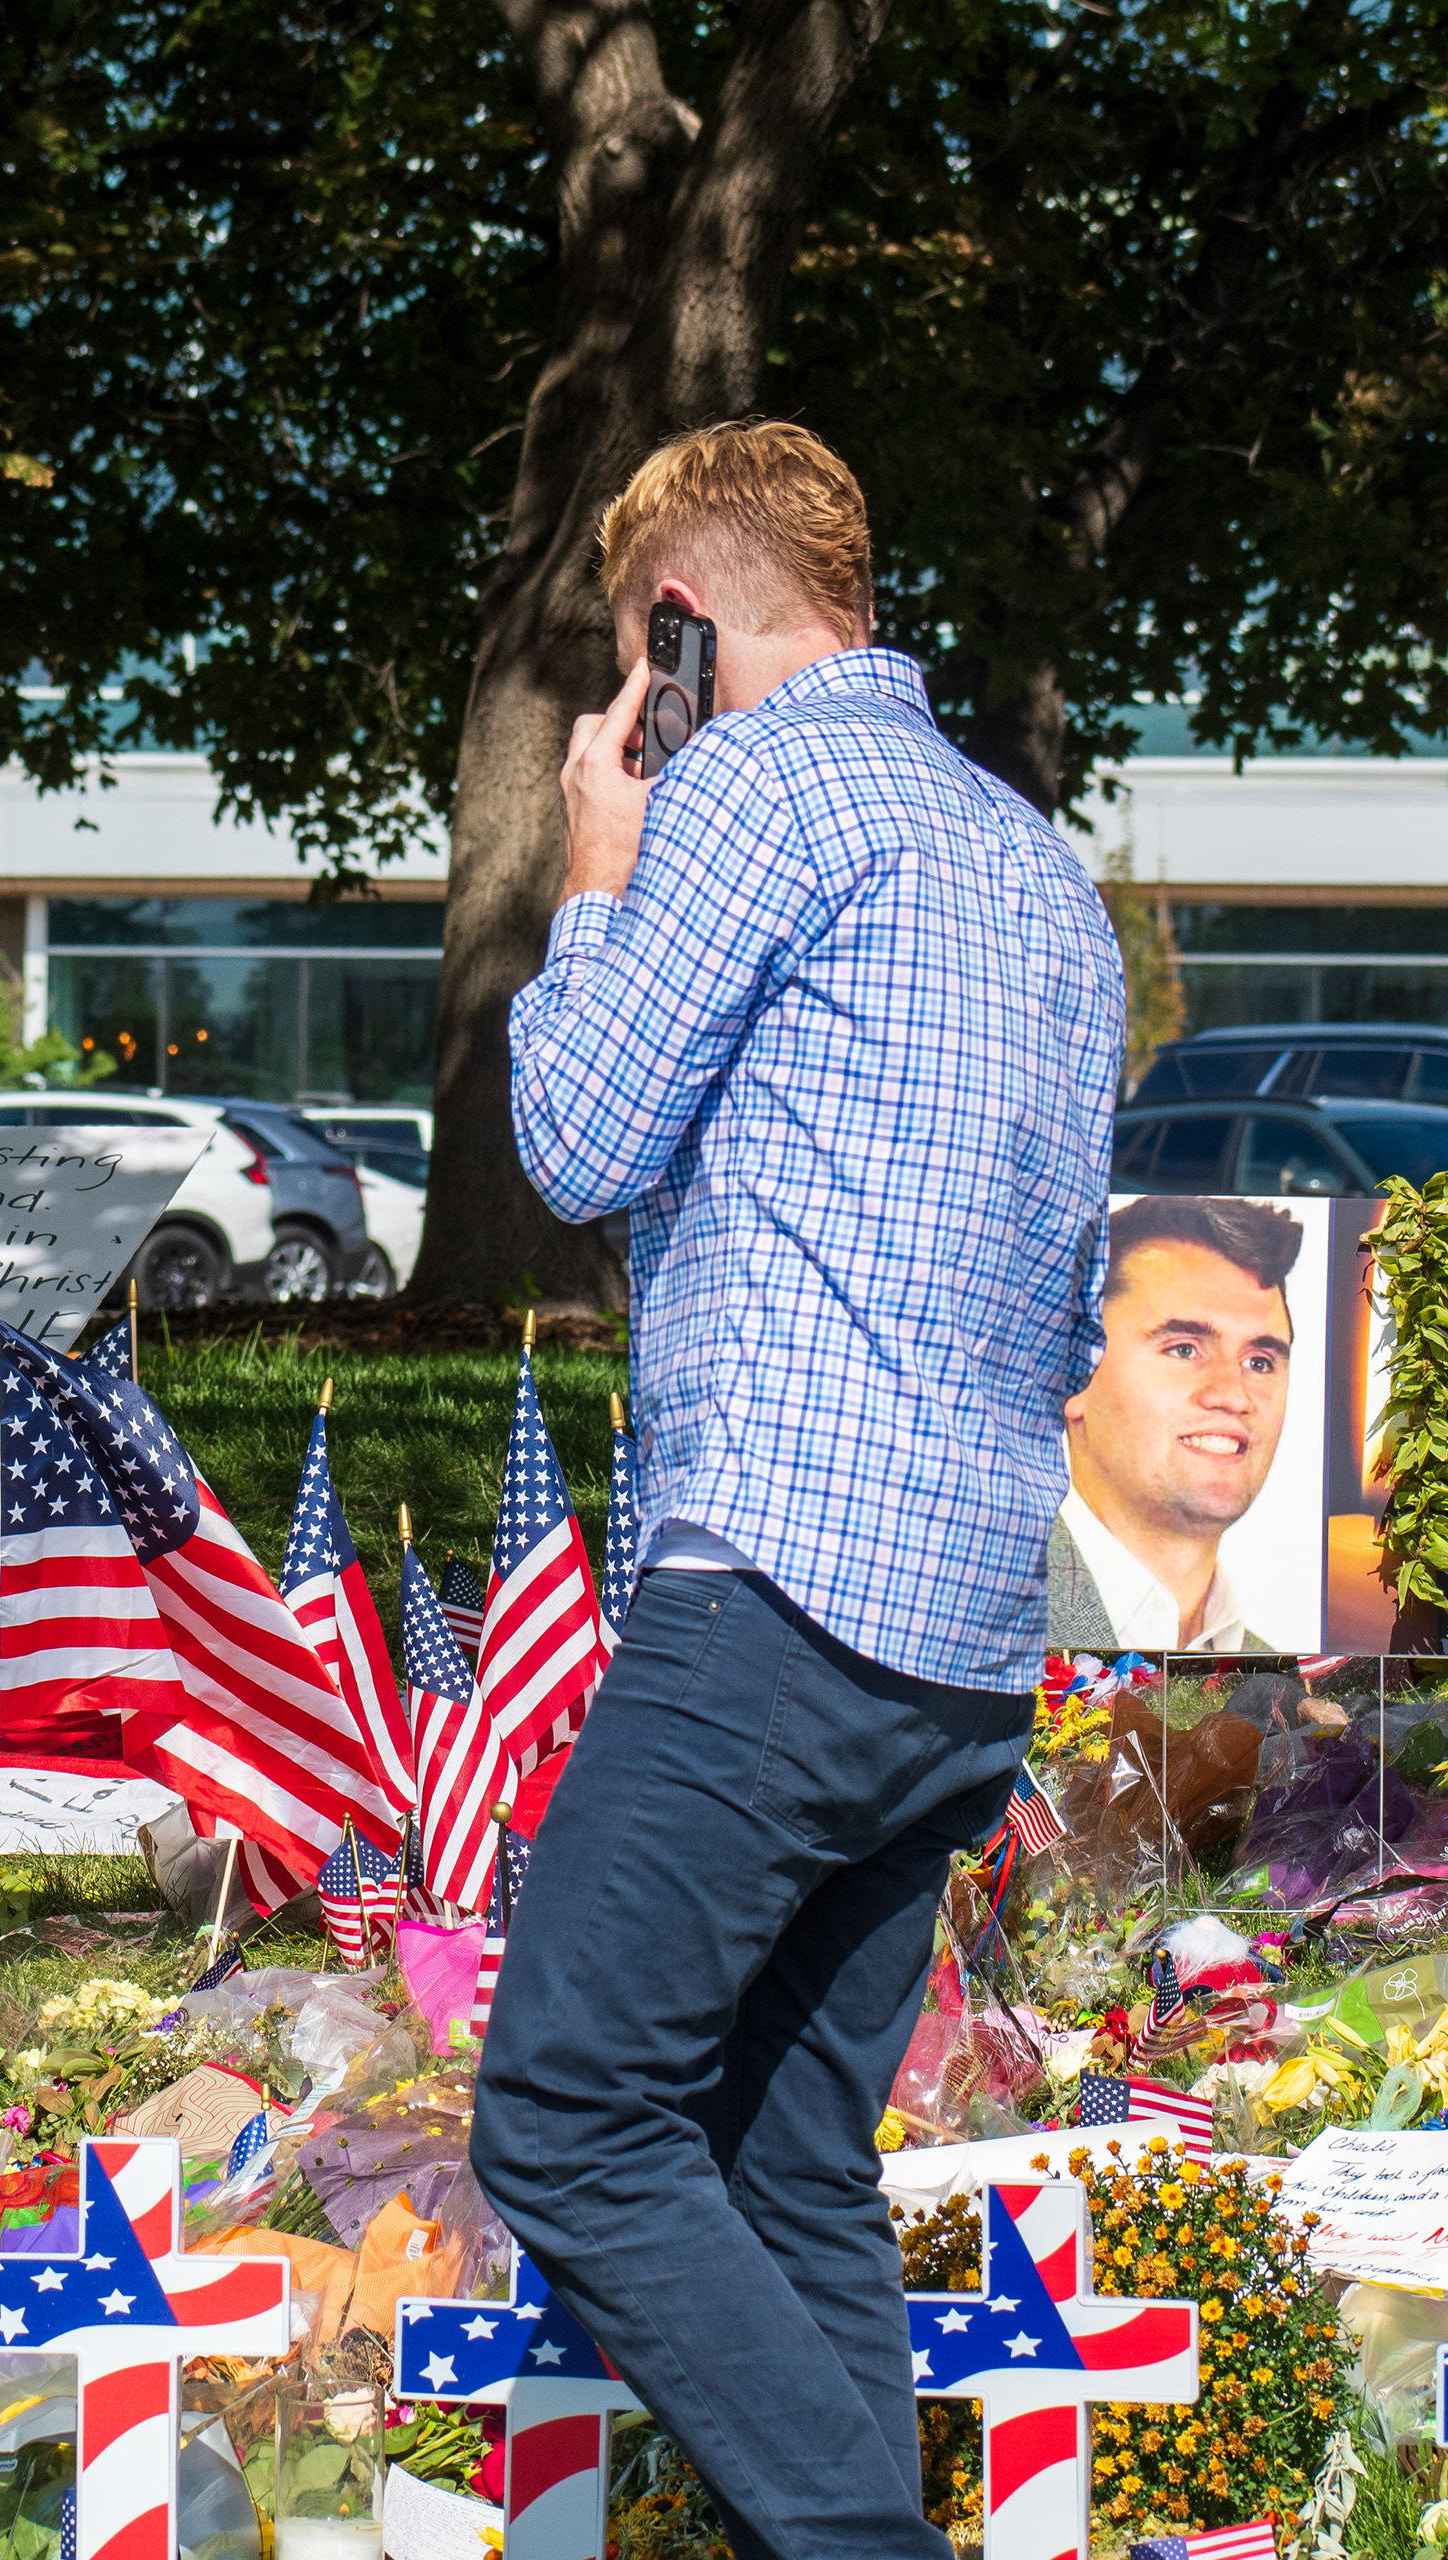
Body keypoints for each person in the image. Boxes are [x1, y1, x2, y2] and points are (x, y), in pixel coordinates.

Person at [470, 420, 1124, 2560]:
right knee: (778, 2154)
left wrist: (589, 864)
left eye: (626, 637)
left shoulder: (750, 788)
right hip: (959, 1625)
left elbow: (569, 1139)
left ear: (674, 618)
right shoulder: (1032, 856)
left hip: (777, 1587)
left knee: (569, 2109)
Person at [1046, 1192, 1304, 1653]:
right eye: (1184, 1349)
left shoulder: (1276, 1676)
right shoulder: (988, 1619)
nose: (1233, 1395)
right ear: (1073, 1373)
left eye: (1260, 1361)